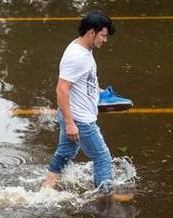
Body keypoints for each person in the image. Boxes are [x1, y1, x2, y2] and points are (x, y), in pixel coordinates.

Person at [42, 12, 132, 202]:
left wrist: (101, 94)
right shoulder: (77, 57)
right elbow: (61, 89)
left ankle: (45, 191)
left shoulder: (83, 50)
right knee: (102, 157)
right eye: (103, 35)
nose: (105, 40)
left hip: (74, 116)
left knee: (65, 154)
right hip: (80, 120)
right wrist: (70, 123)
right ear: (92, 32)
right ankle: (106, 197)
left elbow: (83, 82)